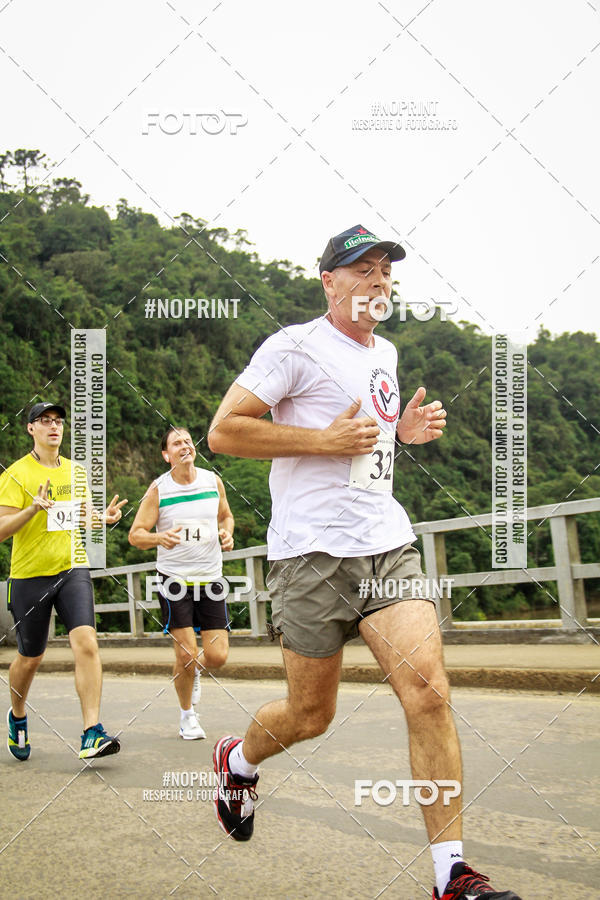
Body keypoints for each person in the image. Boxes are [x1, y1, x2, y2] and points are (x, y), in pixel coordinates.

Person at [207, 226, 522, 900]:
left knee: (429, 692)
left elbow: (366, 446)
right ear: (329, 282)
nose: (378, 281)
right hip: (310, 558)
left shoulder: (388, 353)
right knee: (309, 716)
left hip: (386, 546)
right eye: (362, 270)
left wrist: (400, 436)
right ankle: (237, 759)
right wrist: (318, 441)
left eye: (385, 270)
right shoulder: (292, 347)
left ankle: (451, 873)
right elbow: (225, 431)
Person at [0, 402, 126, 761]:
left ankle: (91, 732)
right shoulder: (14, 475)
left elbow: (81, 518)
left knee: (86, 642)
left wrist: (103, 518)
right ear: (31, 429)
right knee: (30, 657)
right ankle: (18, 715)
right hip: (29, 576)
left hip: (73, 569)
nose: (54, 427)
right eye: (45, 421)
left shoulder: (77, 472)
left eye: (58, 421)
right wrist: (31, 509)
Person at [128, 426, 234, 740]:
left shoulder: (212, 481)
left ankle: (193, 670)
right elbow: (136, 535)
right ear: (166, 455)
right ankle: (188, 715)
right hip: (174, 581)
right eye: (177, 443)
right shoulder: (158, 489)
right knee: (186, 654)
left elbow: (226, 516)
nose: (185, 446)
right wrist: (159, 537)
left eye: (188, 441)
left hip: (211, 579)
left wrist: (227, 532)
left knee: (217, 657)